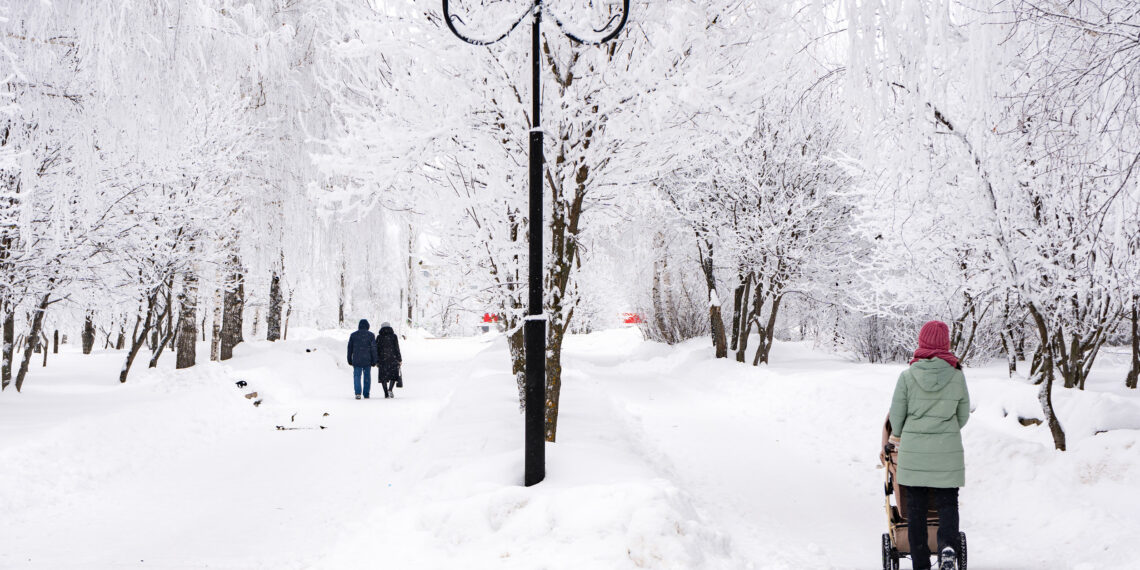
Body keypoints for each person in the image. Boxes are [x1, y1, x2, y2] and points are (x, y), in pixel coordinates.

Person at [889, 320, 970, 570]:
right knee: (947, 503)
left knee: (916, 509)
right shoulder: (957, 376)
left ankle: (921, 563)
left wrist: (898, 437)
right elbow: (963, 415)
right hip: (947, 453)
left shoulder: (907, 376)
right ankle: (947, 546)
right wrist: (945, 428)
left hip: (914, 454)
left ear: (921, 342)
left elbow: (896, 416)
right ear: (945, 344)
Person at [346, 319, 377, 400]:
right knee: (367, 376)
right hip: (367, 359)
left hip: (357, 359)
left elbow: (350, 348)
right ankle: (366, 394)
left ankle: (358, 393)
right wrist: (374, 360)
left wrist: (349, 359)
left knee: (357, 376)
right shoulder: (371, 335)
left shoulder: (353, 335)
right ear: (367, 326)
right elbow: (373, 349)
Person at [374, 321, 402, 399]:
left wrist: (376, 360)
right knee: (393, 375)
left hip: (382, 359)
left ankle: (386, 392)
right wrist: (399, 359)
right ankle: (390, 390)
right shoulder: (394, 336)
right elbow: (397, 348)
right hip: (393, 358)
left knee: (383, 376)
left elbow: (376, 349)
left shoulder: (379, 337)